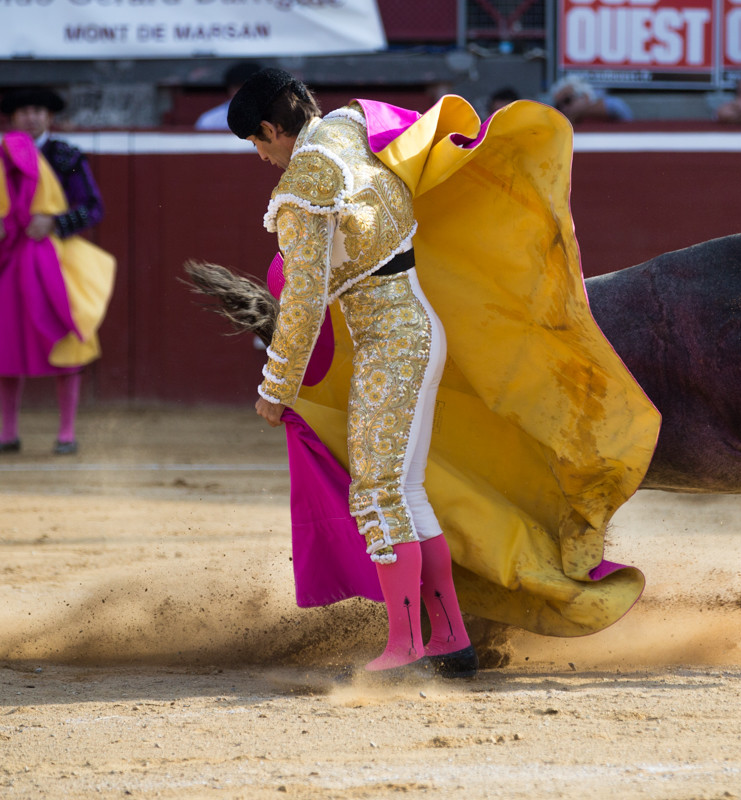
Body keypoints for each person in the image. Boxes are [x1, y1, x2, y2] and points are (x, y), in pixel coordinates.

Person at [221, 69, 658, 679]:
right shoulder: (350, 128)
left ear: (270, 128)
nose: (263, 158)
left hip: (388, 344)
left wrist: (276, 386)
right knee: (406, 493)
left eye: (258, 144)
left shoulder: (307, 180)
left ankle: (405, 645)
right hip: (418, 325)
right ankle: (449, 638)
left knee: (377, 494)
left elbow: (303, 298)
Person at [1, 88, 114, 456]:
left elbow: (93, 208)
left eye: (38, 110)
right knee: (5, 342)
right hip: (10, 255)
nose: (32, 117)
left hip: (57, 258)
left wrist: (54, 222)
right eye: (24, 111)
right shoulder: (1, 157)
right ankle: (8, 432)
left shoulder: (65, 155)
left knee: (69, 335)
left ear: (49, 117)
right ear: (12, 118)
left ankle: (66, 432)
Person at [194, 61, 263, 131]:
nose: (243, 92)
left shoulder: (273, 117)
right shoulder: (210, 120)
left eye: (249, 87)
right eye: (237, 87)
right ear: (229, 89)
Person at [547, 76, 633, 124]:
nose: (563, 108)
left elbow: (622, 112)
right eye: (558, 106)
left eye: (567, 100)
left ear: (585, 96)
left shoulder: (613, 107)